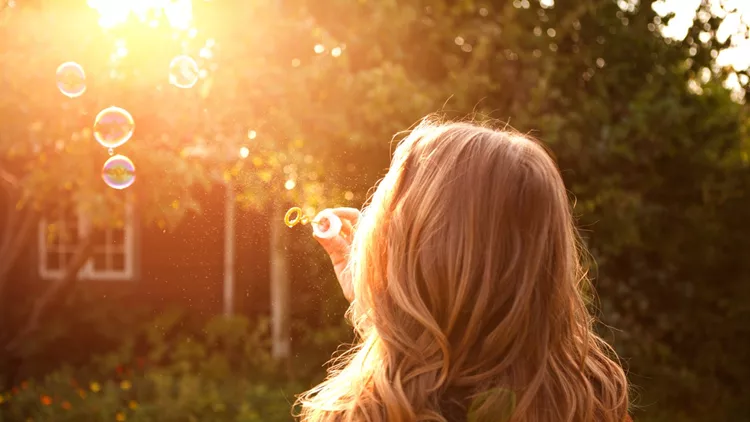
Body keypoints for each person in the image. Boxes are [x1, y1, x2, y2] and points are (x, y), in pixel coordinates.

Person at [295, 117, 632, 422]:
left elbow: (432, 368)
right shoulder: (593, 400)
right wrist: (376, 305)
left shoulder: (366, 412)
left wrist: (384, 308)